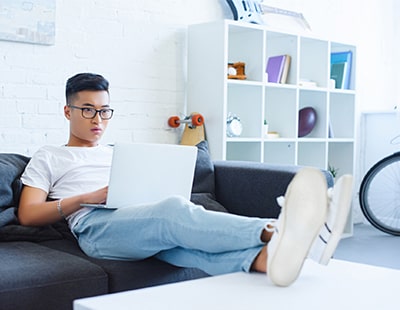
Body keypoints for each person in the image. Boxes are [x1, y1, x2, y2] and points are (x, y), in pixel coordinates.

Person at [18, 73, 353, 287]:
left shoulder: (117, 152)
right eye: (88, 109)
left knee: (185, 248)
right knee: (173, 211)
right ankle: (276, 229)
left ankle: (272, 260)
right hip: (95, 228)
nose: (98, 119)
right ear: (68, 112)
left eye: (105, 110)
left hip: (136, 217)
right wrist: (89, 196)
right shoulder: (50, 156)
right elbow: (28, 214)